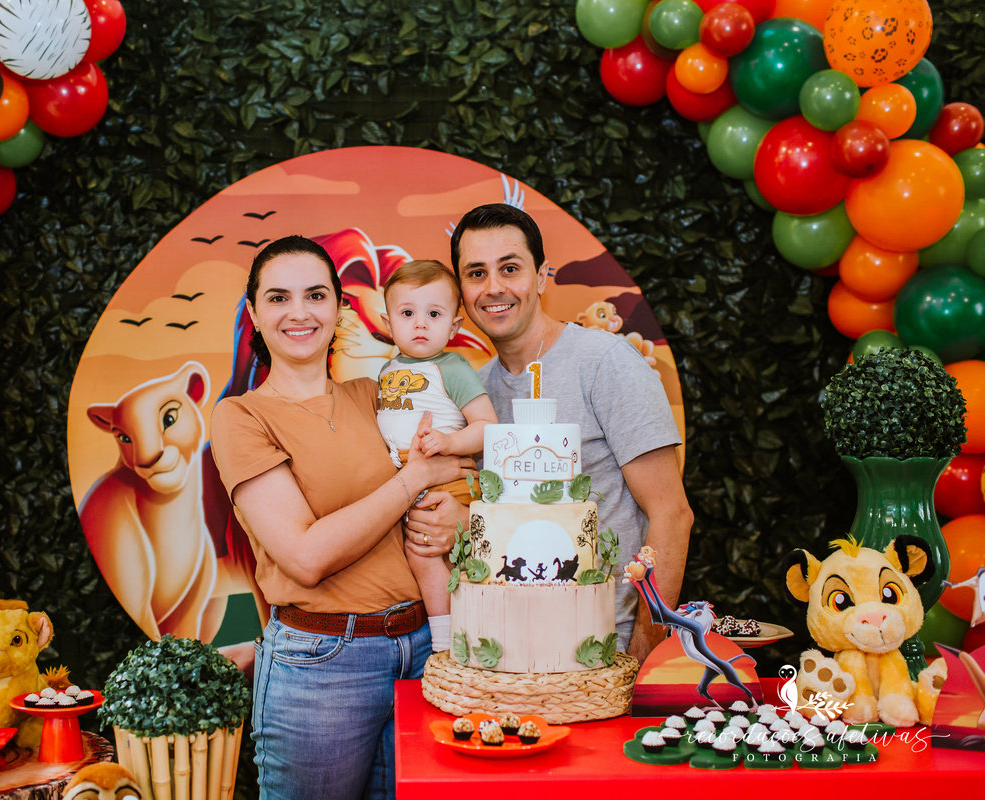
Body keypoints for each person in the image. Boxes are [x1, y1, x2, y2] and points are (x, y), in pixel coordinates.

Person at [209, 235, 468, 800]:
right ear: (254, 312)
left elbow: (458, 463)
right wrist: (413, 481)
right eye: (278, 297)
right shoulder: (240, 417)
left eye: (315, 295)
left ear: (339, 308)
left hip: (425, 649)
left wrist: (457, 511)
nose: (299, 312)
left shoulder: (374, 395)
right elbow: (305, 556)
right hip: (321, 665)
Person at [404, 203, 694, 663]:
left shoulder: (605, 362)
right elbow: (498, 519)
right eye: (476, 273)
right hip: (507, 647)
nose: (494, 287)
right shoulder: (472, 395)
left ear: (540, 277)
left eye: (510, 268)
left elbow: (672, 514)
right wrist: (457, 522)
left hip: (606, 643)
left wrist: (643, 650)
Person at [375, 259, 498, 653]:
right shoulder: (386, 370)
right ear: (387, 323)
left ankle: (445, 648)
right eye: (407, 314)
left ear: (454, 327)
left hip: (448, 480)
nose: (420, 324)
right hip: (409, 479)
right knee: (418, 556)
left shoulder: (453, 367)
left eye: (434, 314)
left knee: (424, 554)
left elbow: (487, 427)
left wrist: (448, 441)